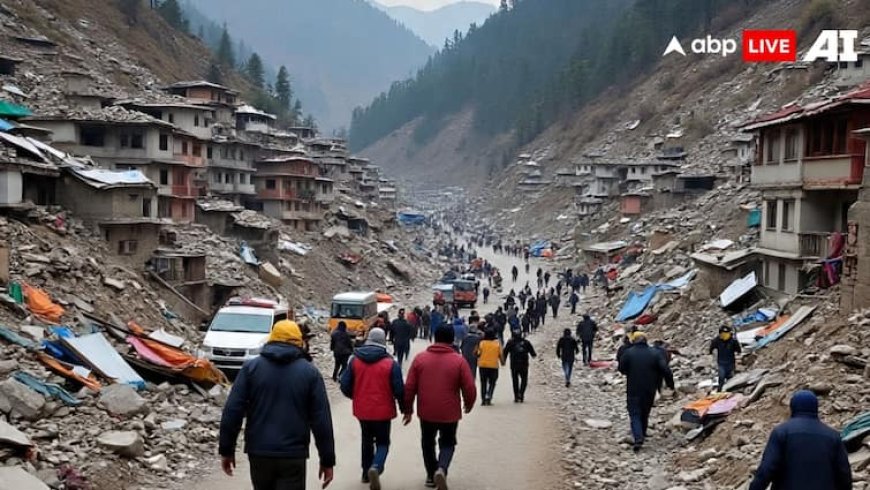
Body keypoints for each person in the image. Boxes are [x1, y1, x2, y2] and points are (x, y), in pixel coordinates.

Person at [219, 321, 335, 490]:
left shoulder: (251, 368)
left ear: (272, 339)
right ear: (299, 342)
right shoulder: (310, 373)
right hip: (293, 455)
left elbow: (233, 411)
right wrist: (327, 460)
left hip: (259, 452)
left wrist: (227, 450)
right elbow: (321, 420)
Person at [403, 326, 477, 490]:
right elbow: (469, 386)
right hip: (449, 412)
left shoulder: (420, 359)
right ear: (452, 340)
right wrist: (469, 403)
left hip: (426, 411)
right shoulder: (459, 361)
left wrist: (407, 409)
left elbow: (409, 387)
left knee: (427, 442)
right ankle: (442, 468)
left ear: (435, 338)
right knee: (448, 442)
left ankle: (431, 475)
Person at [340, 328, 405, 489]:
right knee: (383, 442)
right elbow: (399, 390)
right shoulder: (391, 363)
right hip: (383, 411)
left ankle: (365, 473)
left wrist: (355, 397)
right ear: (383, 341)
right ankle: (376, 467)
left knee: (366, 440)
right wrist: (404, 408)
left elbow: (345, 385)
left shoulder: (354, 360)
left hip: (362, 410)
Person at [748, 390, 851, 490]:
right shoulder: (833, 436)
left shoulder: (781, 432)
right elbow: (844, 473)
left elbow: (767, 469)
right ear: (815, 408)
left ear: (792, 407)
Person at [617, 332, 674, 452]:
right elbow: (665, 369)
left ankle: (638, 437)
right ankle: (642, 432)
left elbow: (621, 368)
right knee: (645, 411)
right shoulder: (655, 353)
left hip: (633, 388)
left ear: (634, 340)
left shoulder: (629, 353)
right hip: (650, 388)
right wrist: (670, 384)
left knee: (634, 413)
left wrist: (629, 372)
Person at [502, 331, 537, 402]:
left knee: (515, 381)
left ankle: (516, 396)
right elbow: (533, 354)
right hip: (524, 364)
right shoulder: (526, 342)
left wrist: (503, 362)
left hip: (514, 364)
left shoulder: (510, 343)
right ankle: (521, 394)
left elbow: (504, 353)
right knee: (524, 380)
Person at [475, 329, 503, 406]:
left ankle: (483, 400)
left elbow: (477, 353)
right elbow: (501, 355)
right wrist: (503, 362)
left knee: (483, 383)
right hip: (493, 366)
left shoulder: (482, 343)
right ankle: (489, 396)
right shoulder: (497, 344)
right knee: (492, 382)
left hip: (483, 365)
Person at [709, 325, 741, 391]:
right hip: (721, 363)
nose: (725, 335)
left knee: (730, 379)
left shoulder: (732, 341)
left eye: (727, 333)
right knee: (721, 377)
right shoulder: (717, 340)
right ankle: (719, 391)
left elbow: (738, 350)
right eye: (723, 334)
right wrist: (711, 353)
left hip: (731, 363)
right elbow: (711, 348)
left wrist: (738, 350)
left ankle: (729, 392)